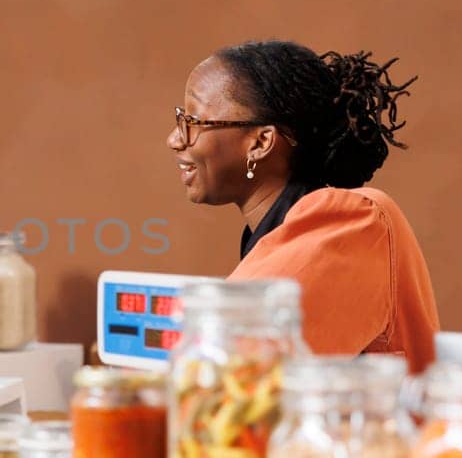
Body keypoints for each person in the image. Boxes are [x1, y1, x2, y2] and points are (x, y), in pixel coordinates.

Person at [168, 40, 440, 371]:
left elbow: (233, 374)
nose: (175, 139)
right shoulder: (280, 233)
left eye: (193, 121)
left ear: (261, 142)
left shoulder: (354, 222)